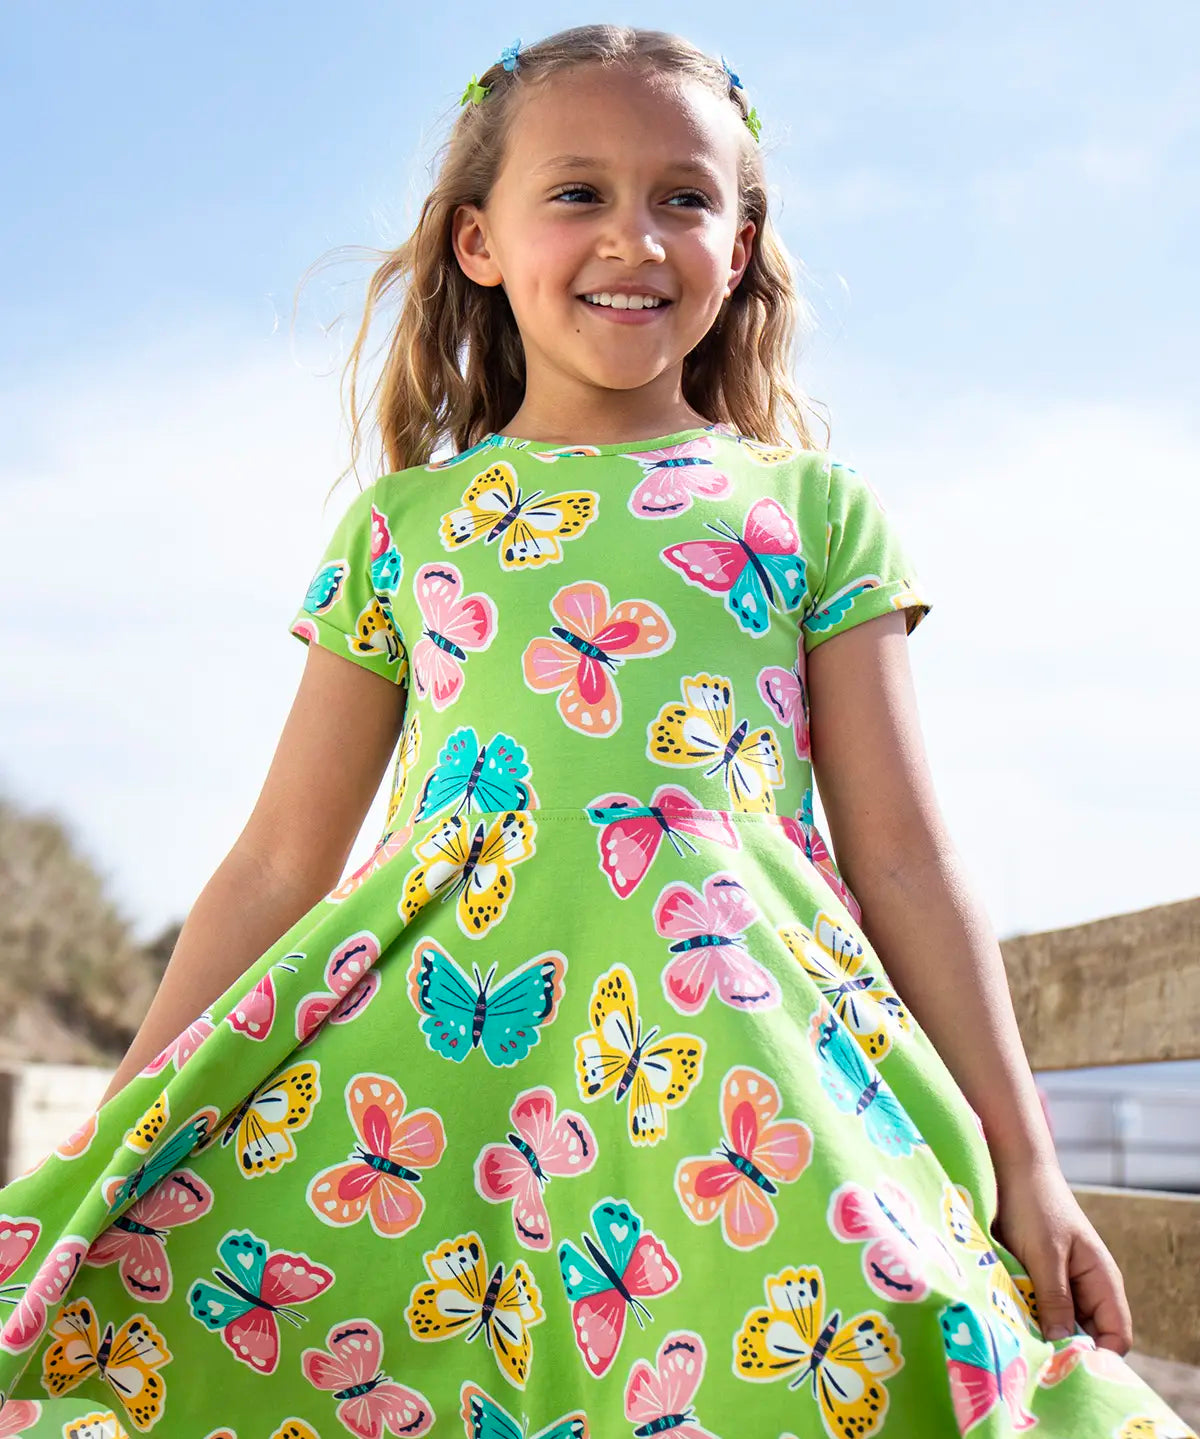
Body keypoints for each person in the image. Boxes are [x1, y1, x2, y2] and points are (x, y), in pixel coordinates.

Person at [0, 23, 1192, 1439]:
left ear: (737, 249)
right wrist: (129, 1119)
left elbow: (909, 858)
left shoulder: (814, 510)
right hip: (443, 1074)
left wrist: (1033, 1170)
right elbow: (275, 862)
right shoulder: (405, 526)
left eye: (684, 197)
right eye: (578, 194)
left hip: (738, 1071)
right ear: (478, 243)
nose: (634, 237)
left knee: (849, 1355)